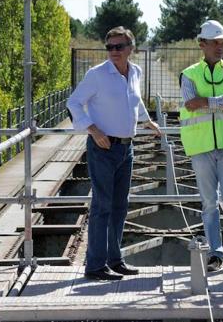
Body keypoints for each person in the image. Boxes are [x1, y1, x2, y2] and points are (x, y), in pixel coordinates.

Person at [67, 26, 161, 281]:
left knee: (120, 206)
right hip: (103, 148)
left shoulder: (136, 72)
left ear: (131, 48)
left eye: (119, 47)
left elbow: (135, 101)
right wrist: (93, 130)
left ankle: (114, 260)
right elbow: (73, 102)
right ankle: (95, 266)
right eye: (110, 47)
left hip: (126, 147)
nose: (114, 52)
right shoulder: (97, 74)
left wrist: (147, 122)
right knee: (102, 206)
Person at [179, 20, 223, 273]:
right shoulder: (188, 74)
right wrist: (222, 102)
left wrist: (206, 100)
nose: (220, 47)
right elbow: (189, 102)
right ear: (202, 44)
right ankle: (215, 254)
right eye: (215, 42)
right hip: (201, 147)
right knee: (208, 202)